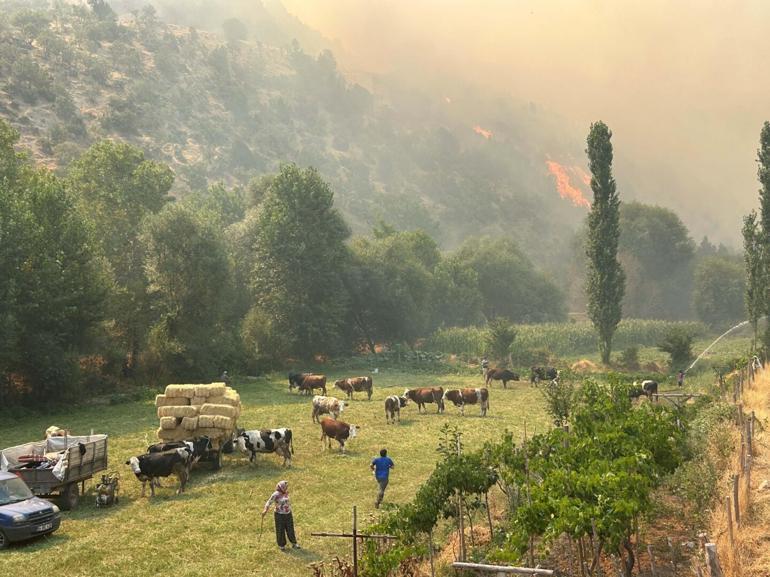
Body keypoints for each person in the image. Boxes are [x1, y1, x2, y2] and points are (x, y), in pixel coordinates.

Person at [262, 480, 300, 550]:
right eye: (285, 487)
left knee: (290, 529)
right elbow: (269, 502)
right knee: (280, 529)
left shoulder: (285, 493)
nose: (286, 488)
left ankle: (294, 543)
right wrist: (265, 510)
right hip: (279, 515)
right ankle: (282, 545)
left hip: (288, 513)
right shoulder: (275, 494)